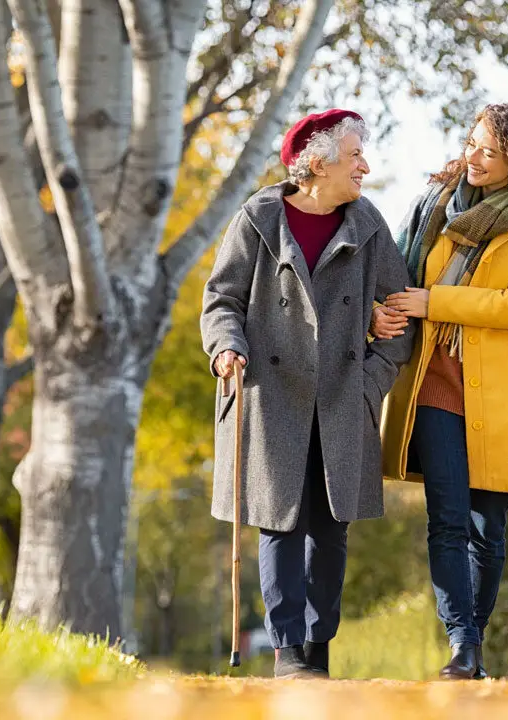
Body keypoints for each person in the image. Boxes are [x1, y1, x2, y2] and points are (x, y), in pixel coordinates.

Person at [372, 102, 508, 680]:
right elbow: (394, 273)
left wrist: (435, 302)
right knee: (447, 518)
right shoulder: (436, 206)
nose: (474, 158)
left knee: (489, 529)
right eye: (471, 143)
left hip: (502, 394)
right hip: (435, 381)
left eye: (489, 152)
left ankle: (475, 641)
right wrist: (380, 311)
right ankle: (462, 647)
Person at [201, 109, 415, 679]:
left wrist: (370, 383)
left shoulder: (368, 223)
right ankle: (288, 651)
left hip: (343, 398)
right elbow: (222, 300)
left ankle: (319, 648)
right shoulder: (258, 219)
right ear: (317, 165)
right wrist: (225, 347)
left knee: (330, 527)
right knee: (281, 523)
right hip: (272, 395)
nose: (365, 167)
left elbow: (401, 316)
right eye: (354, 157)